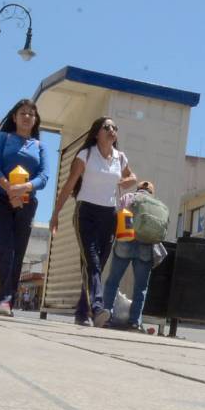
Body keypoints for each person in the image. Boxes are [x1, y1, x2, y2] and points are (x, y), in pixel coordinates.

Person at [50, 117, 137, 326]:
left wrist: (127, 181)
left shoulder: (120, 157)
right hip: (86, 213)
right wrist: (55, 214)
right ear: (96, 132)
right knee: (93, 263)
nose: (111, 130)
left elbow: (133, 177)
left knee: (93, 266)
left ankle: (82, 313)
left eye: (115, 127)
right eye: (106, 127)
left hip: (109, 216)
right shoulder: (85, 154)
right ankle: (97, 308)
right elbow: (70, 184)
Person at [0, 99, 48, 317]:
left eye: (31, 114)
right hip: (0, 198)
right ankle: (4, 297)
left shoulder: (40, 146)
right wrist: (9, 188)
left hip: (27, 202)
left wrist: (24, 187)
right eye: (23, 113)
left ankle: (7, 297)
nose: (27, 117)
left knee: (18, 250)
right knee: (5, 246)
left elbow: (44, 176)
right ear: (14, 117)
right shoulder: (4, 138)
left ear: (35, 120)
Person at [102, 180, 162, 332]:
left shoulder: (128, 197)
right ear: (151, 193)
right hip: (146, 247)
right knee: (141, 287)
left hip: (125, 242)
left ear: (138, 189)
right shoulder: (156, 204)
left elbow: (118, 216)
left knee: (113, 281)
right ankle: (134, 322)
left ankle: (107, 316)